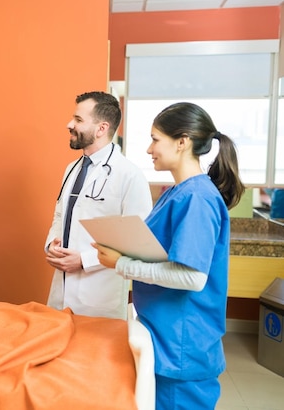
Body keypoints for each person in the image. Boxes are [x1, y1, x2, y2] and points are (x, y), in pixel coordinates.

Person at [94, 102, 245, 410]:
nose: (149, 148)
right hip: (166, 335)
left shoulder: (197, 199)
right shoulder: (177, 193)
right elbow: (162, 253)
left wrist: (121, 264)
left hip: (182, 346)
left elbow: (192, 277)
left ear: (182, 141)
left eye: (155, 139)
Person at [45, 91, 152, 319]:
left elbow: (136, 241)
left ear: (101, 128)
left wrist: (84, 261)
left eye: (78, 120)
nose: (69, 124)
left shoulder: (129, 175)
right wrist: (51, 245)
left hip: (99, 296)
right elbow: (60, 214)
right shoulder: (72, 169)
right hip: (61, 290)